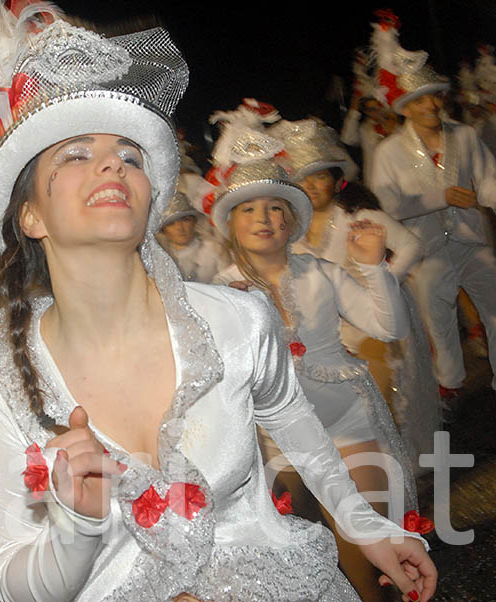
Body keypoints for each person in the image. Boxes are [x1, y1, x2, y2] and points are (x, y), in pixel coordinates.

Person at [0, 4, 436, 601]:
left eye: (129, 155)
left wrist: (367, 527)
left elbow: (297, 428)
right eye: (75, 153)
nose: (111, 162)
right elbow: (17, 583)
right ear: (30, 215)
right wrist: (77, 524)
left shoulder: (235, 320)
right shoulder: (2, 388)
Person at [208, 104, 427, 601]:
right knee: (307, 550)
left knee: (364, 530)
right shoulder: (219, 294)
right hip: (273, 441)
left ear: (291, 221)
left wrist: (375, 269)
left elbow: (387, 326)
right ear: (232, 223)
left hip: (349, 421)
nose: (263, 218)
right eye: (249, 209)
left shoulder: (322, 273)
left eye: (275, 208)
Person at [269, 118, 440, 465]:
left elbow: (410, 246)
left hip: (375, 317)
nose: (311, 186)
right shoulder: (292, 227)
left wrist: (379, 278)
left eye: (319, 176)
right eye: (302, 178)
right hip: (331, 329)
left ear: (336, 180)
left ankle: (397, 468)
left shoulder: (356, 214)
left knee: (385, 395)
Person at [368, 14, 496, 407]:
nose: (430, 105)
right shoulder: (389, 152)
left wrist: (487, 196)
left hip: (472, 239)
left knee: (495, 308)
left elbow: (488, 178)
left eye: (435, 97)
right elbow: (386, 206)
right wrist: (441, 197)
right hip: (427, 250)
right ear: (404, 106)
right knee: (439, 322)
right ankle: (451, 384)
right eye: (420, 100)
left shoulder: (466, 135)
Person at [155, 191, 229, 283]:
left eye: (186, 220)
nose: (180, 228)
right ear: (163, 230)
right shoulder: (157, 257)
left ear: (194, 222)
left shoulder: (215, 249)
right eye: (171, 224)